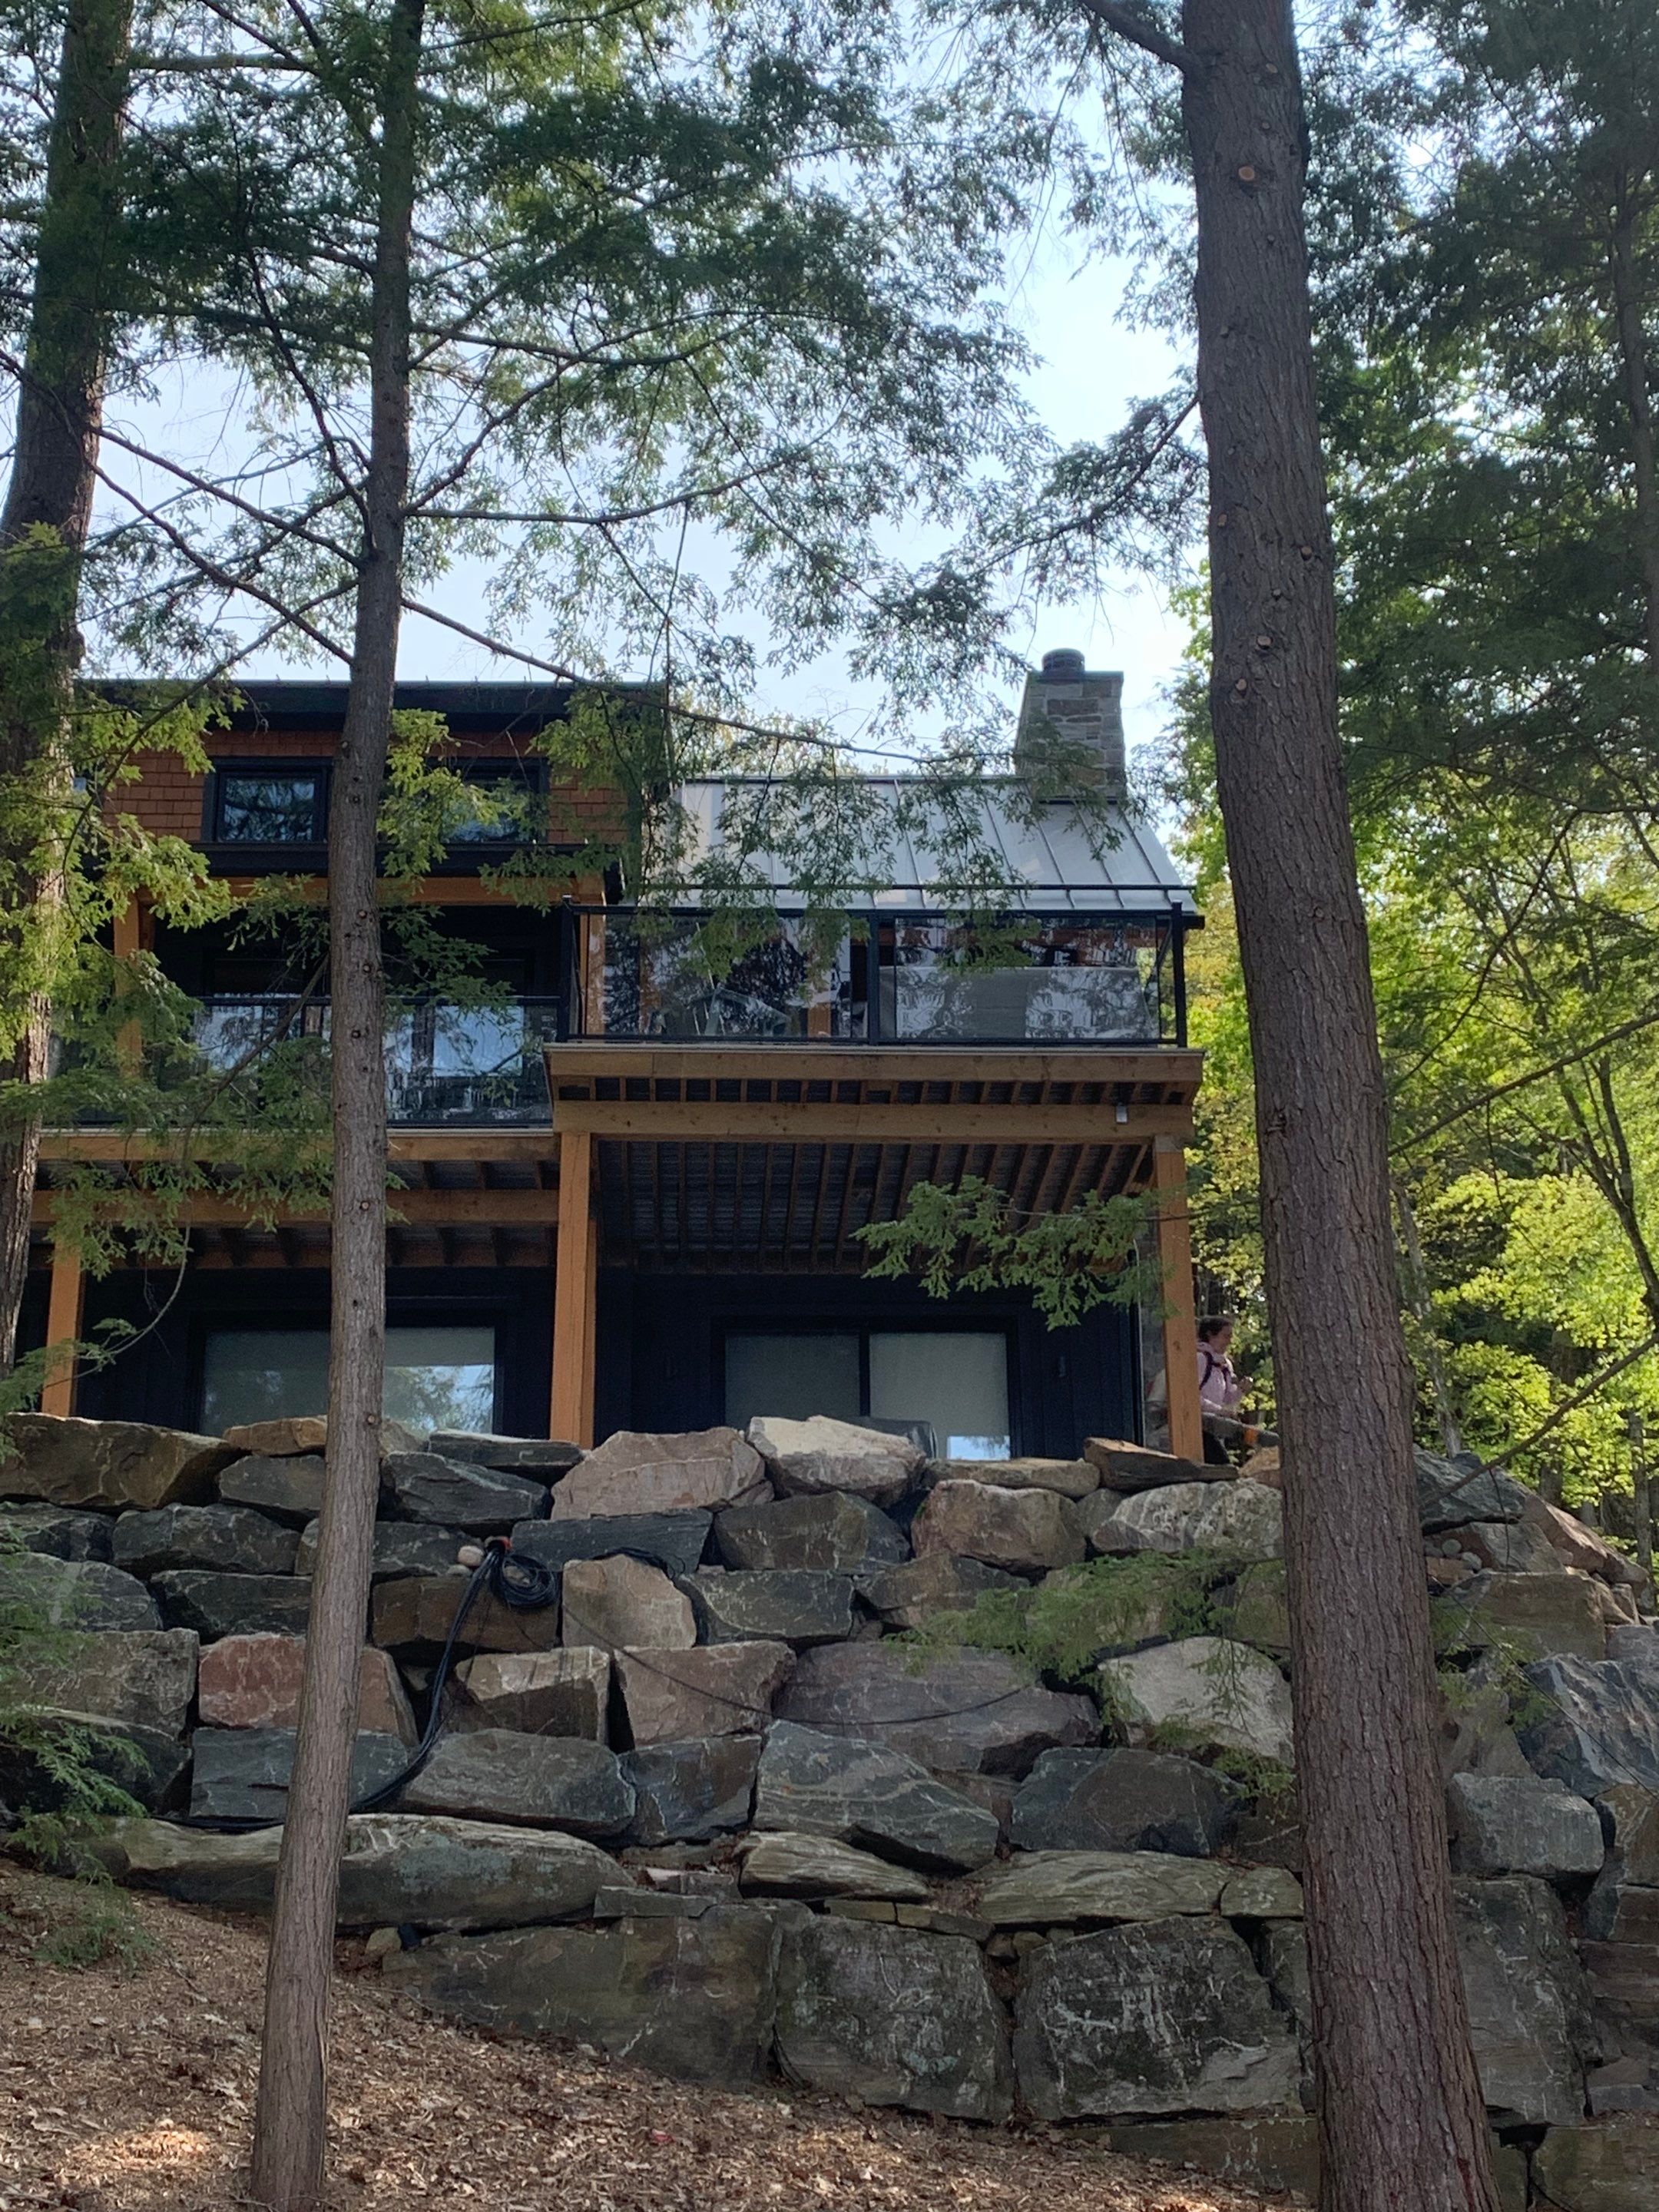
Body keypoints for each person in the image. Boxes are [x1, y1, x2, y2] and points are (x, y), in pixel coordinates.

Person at [1197, 1314, 1245, 1465]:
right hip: (1201, 1426)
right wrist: (1220, 1410)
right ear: (1210, 1335)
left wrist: (1241, 1390)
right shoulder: (1200, 1359)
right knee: (1221, 1464)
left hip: (1216, 1427)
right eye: (1226, 1336)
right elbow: (1193, 1397)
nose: (1229, 1341)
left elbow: (1229, 1400)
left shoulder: (1225, 1365)